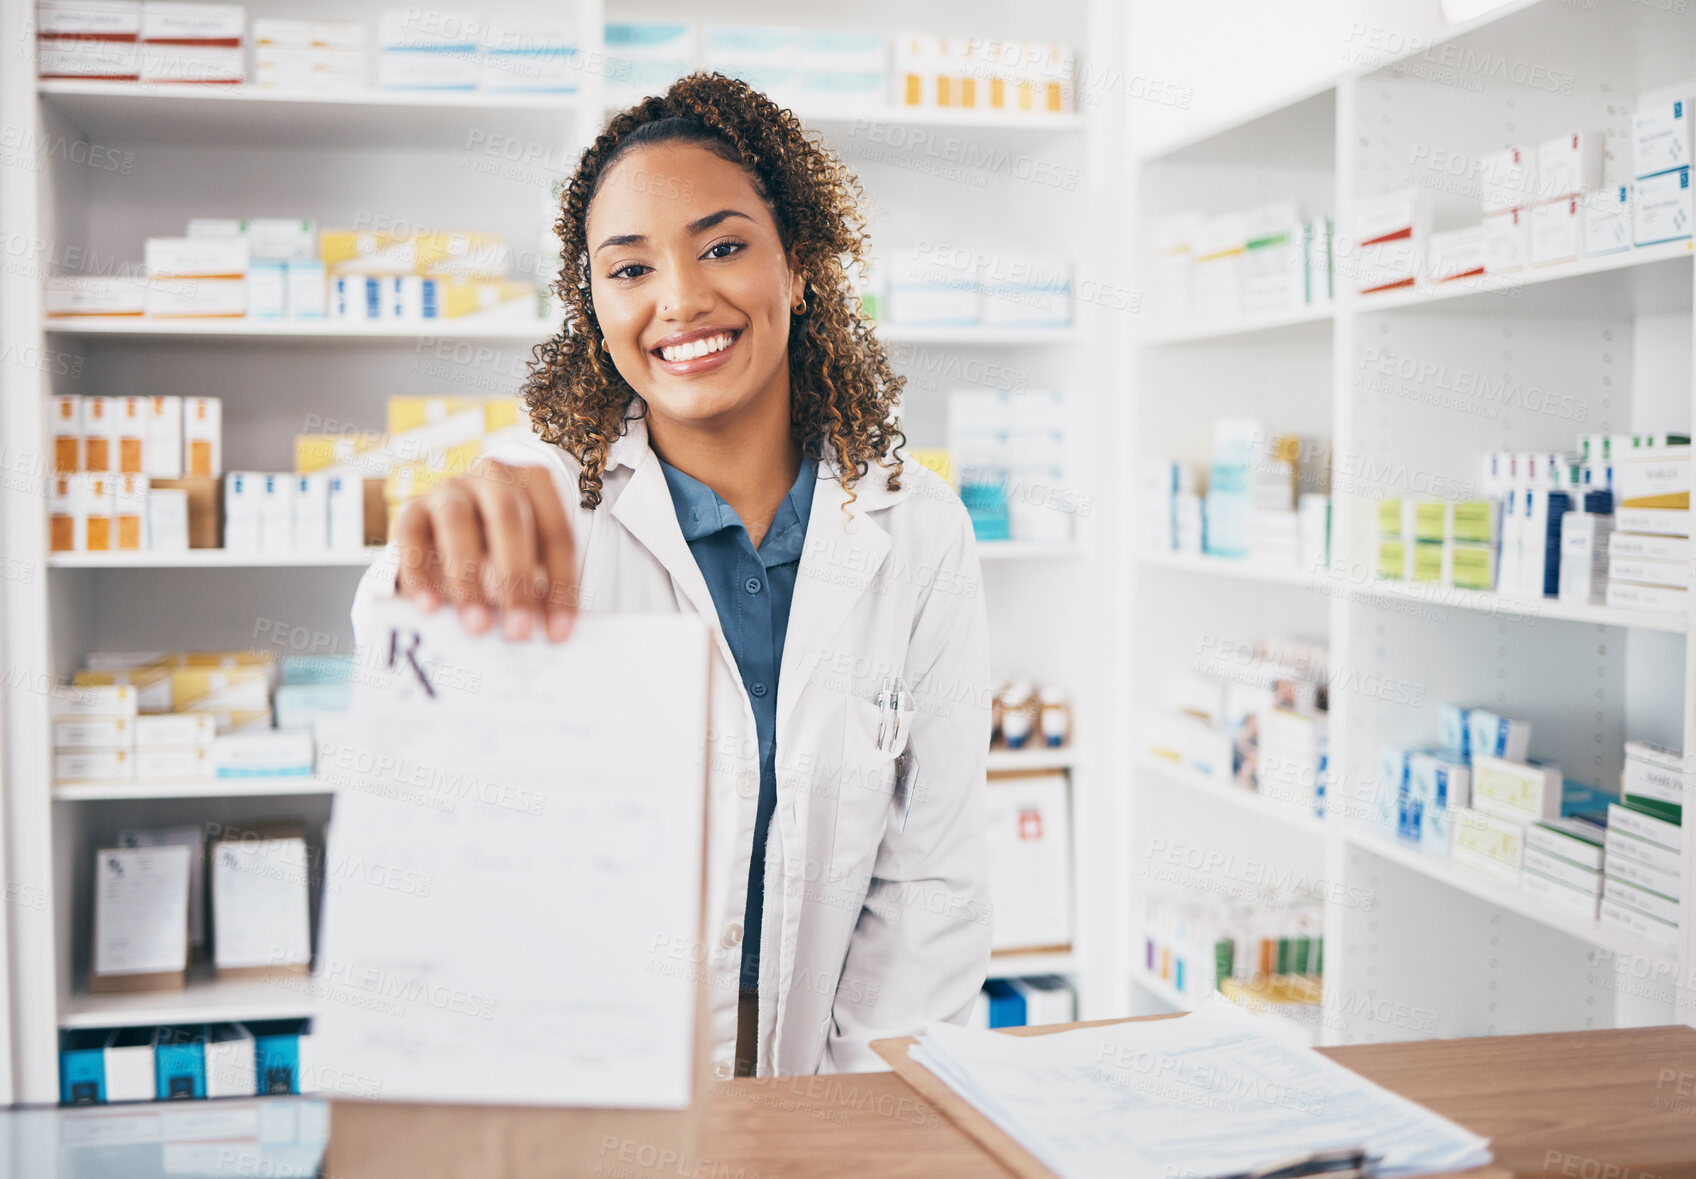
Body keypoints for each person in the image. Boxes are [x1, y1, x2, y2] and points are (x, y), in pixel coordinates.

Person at [354, 72, 991, 1079]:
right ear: (593, 304)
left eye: (724, 246)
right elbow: (416, 721)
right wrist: (430, 573)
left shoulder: (918, 531)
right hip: (579, 1092)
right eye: (630, 269)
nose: (681, 299)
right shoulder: (544, 507)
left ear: (801, 265)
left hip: (828, 1095)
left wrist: (855, 1127)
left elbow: (932, 887)